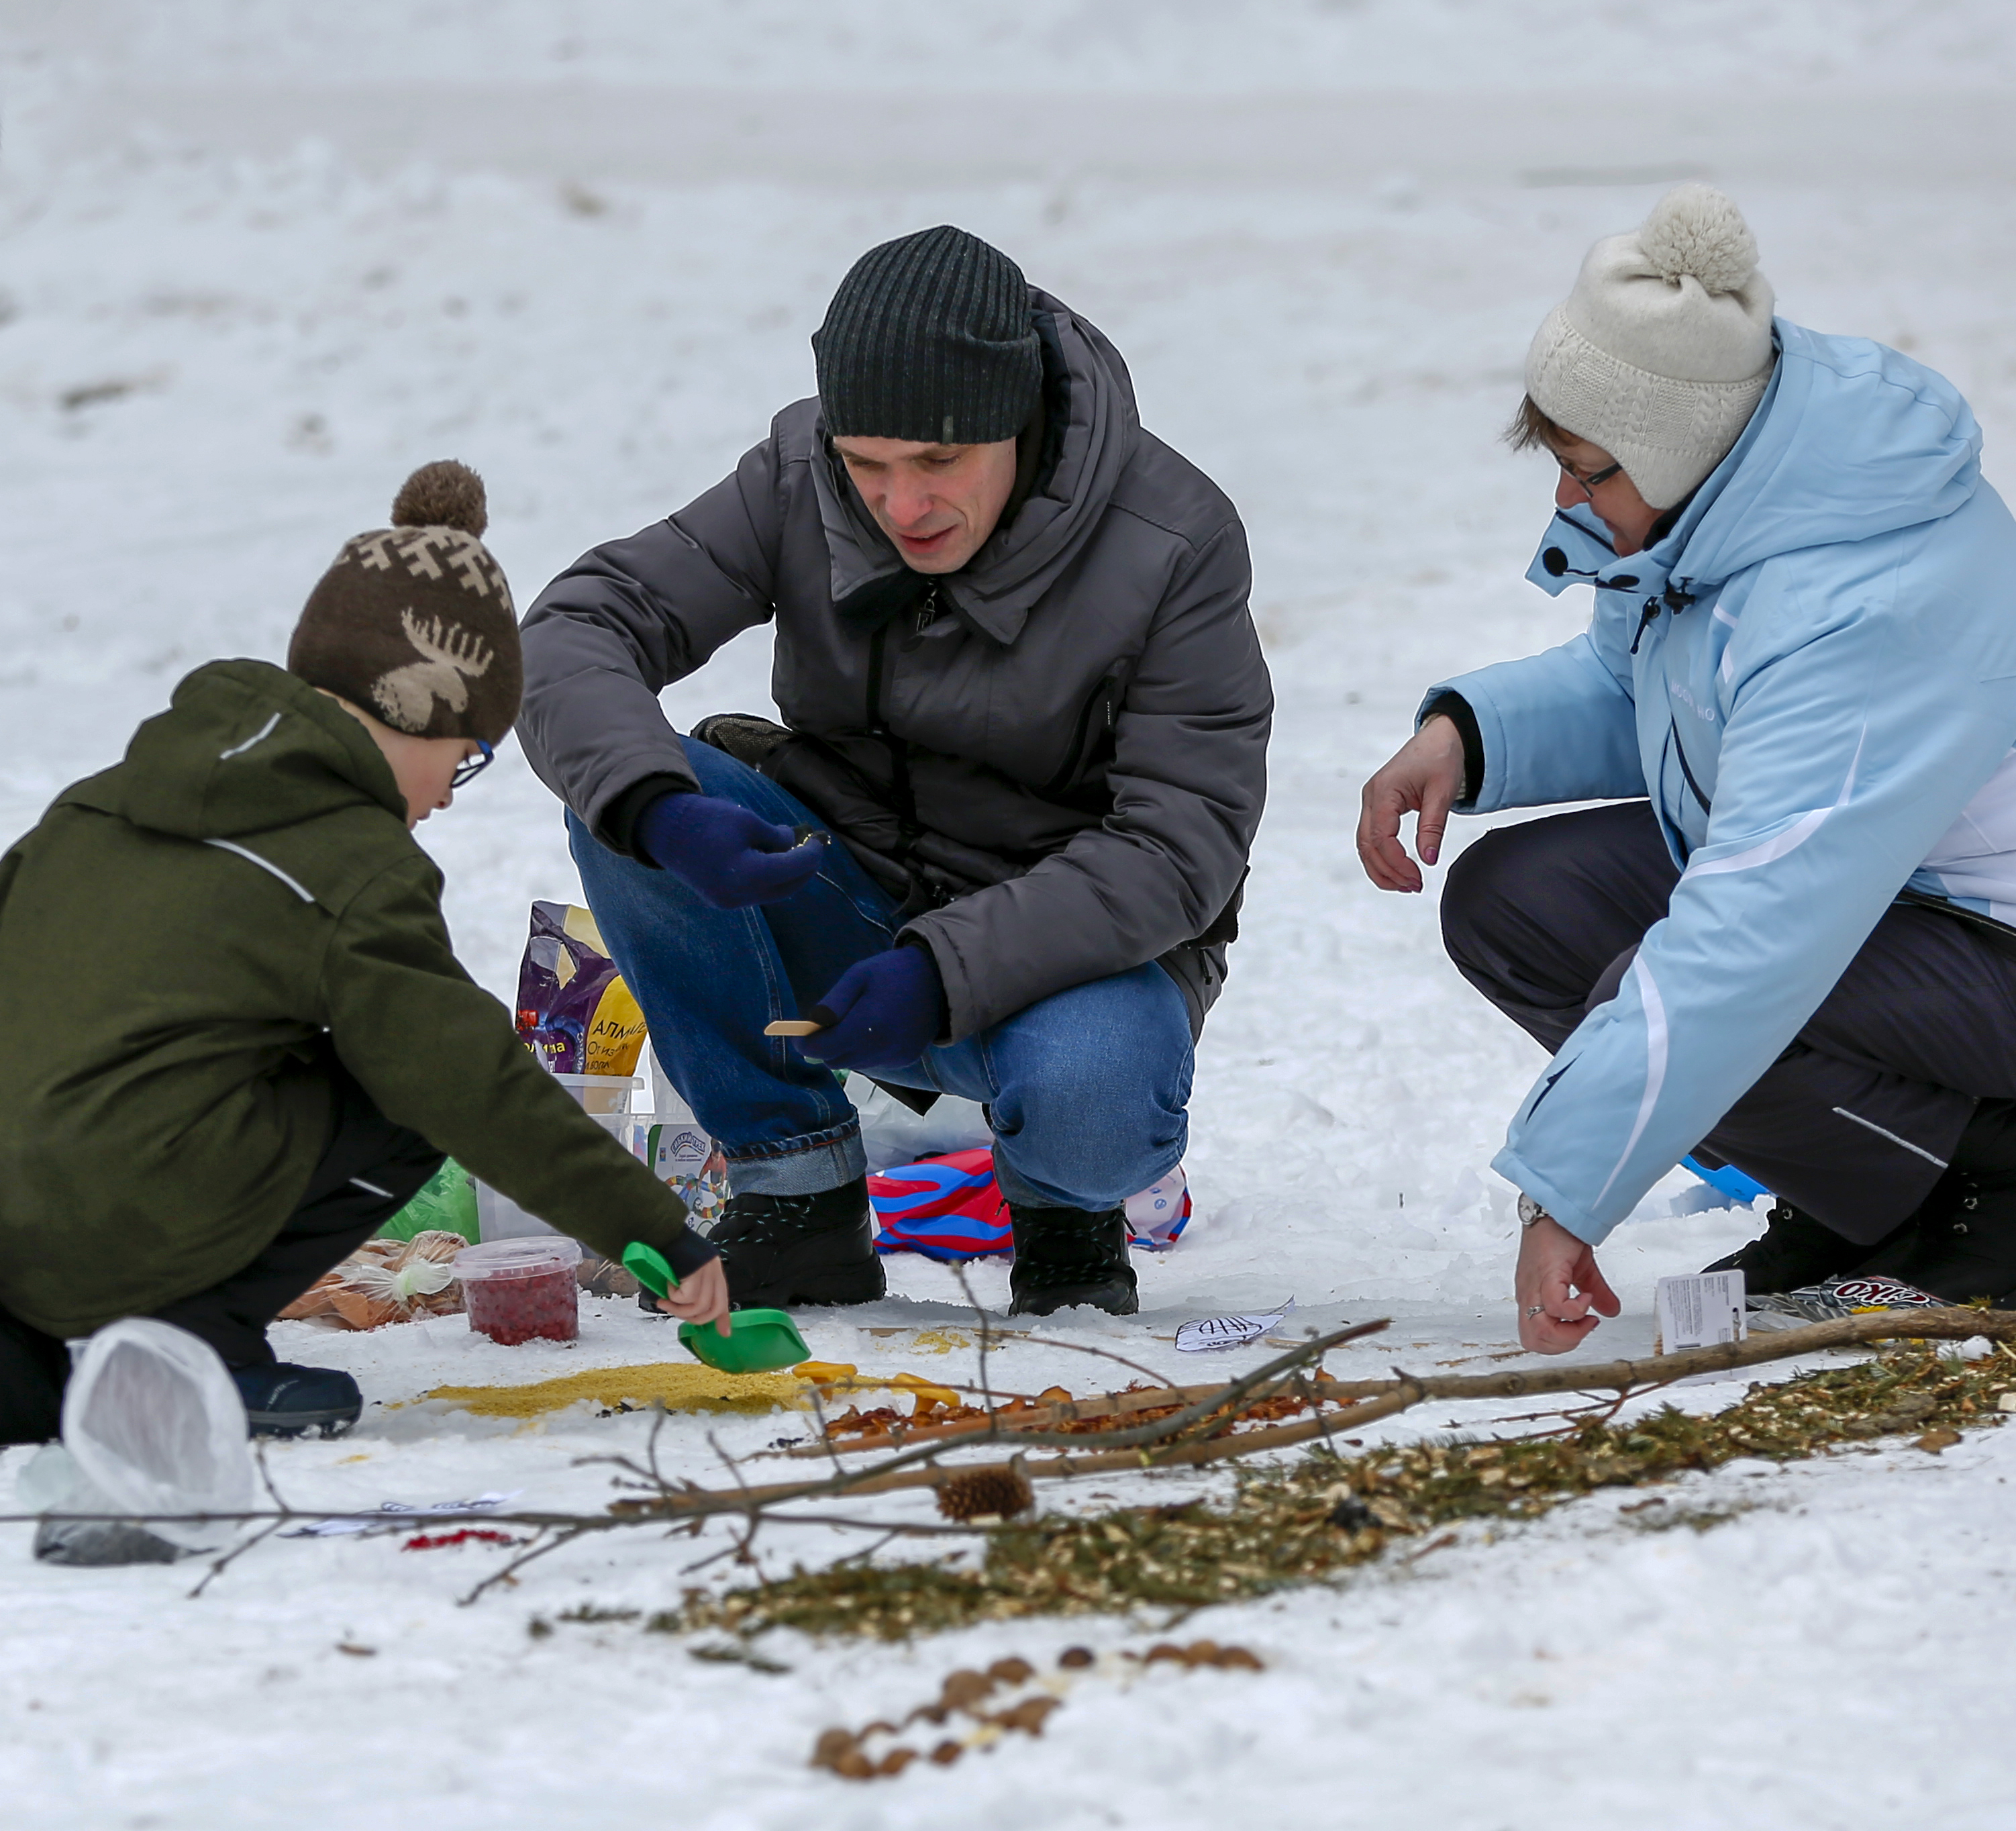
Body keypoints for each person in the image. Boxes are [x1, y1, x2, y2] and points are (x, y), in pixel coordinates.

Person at [518, 225, 1270, 1318]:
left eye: (936, 465)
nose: (900, 506)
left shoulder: (1174, 539)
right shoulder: (797, 475)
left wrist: (944, 973)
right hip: (848, 890)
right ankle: (799, 1198)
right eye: (868, 464)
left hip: (1068, 963)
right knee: (626, 794)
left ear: (1015, 422)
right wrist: (666, 816)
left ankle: (1067, 1222)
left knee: (1096, 1096)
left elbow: (1178, 846)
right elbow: (581, 625)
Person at [1356, 185, 2016, 1355]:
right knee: (1521, 903)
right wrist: (1471, 733)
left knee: (1662, 984)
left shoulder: (1865, 605)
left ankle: (1993, 1198)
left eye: (1591, 471)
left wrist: (1566, 1192)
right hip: (1903, 909)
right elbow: (1651, 690)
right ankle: (1874, 1194)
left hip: (1989, 943)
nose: (1567, 499)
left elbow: (1751, 940)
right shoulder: (1721, 507)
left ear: (1680, 452)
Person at [0, 462, 727, 1449]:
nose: (447, 797)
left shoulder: (98, 801)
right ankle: (195, 1346)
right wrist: (659, 1232)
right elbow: (467, 1077)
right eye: (467, 756)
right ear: (421, 710)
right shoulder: (351, 865)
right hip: (111, 1232)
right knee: (402, 1086)